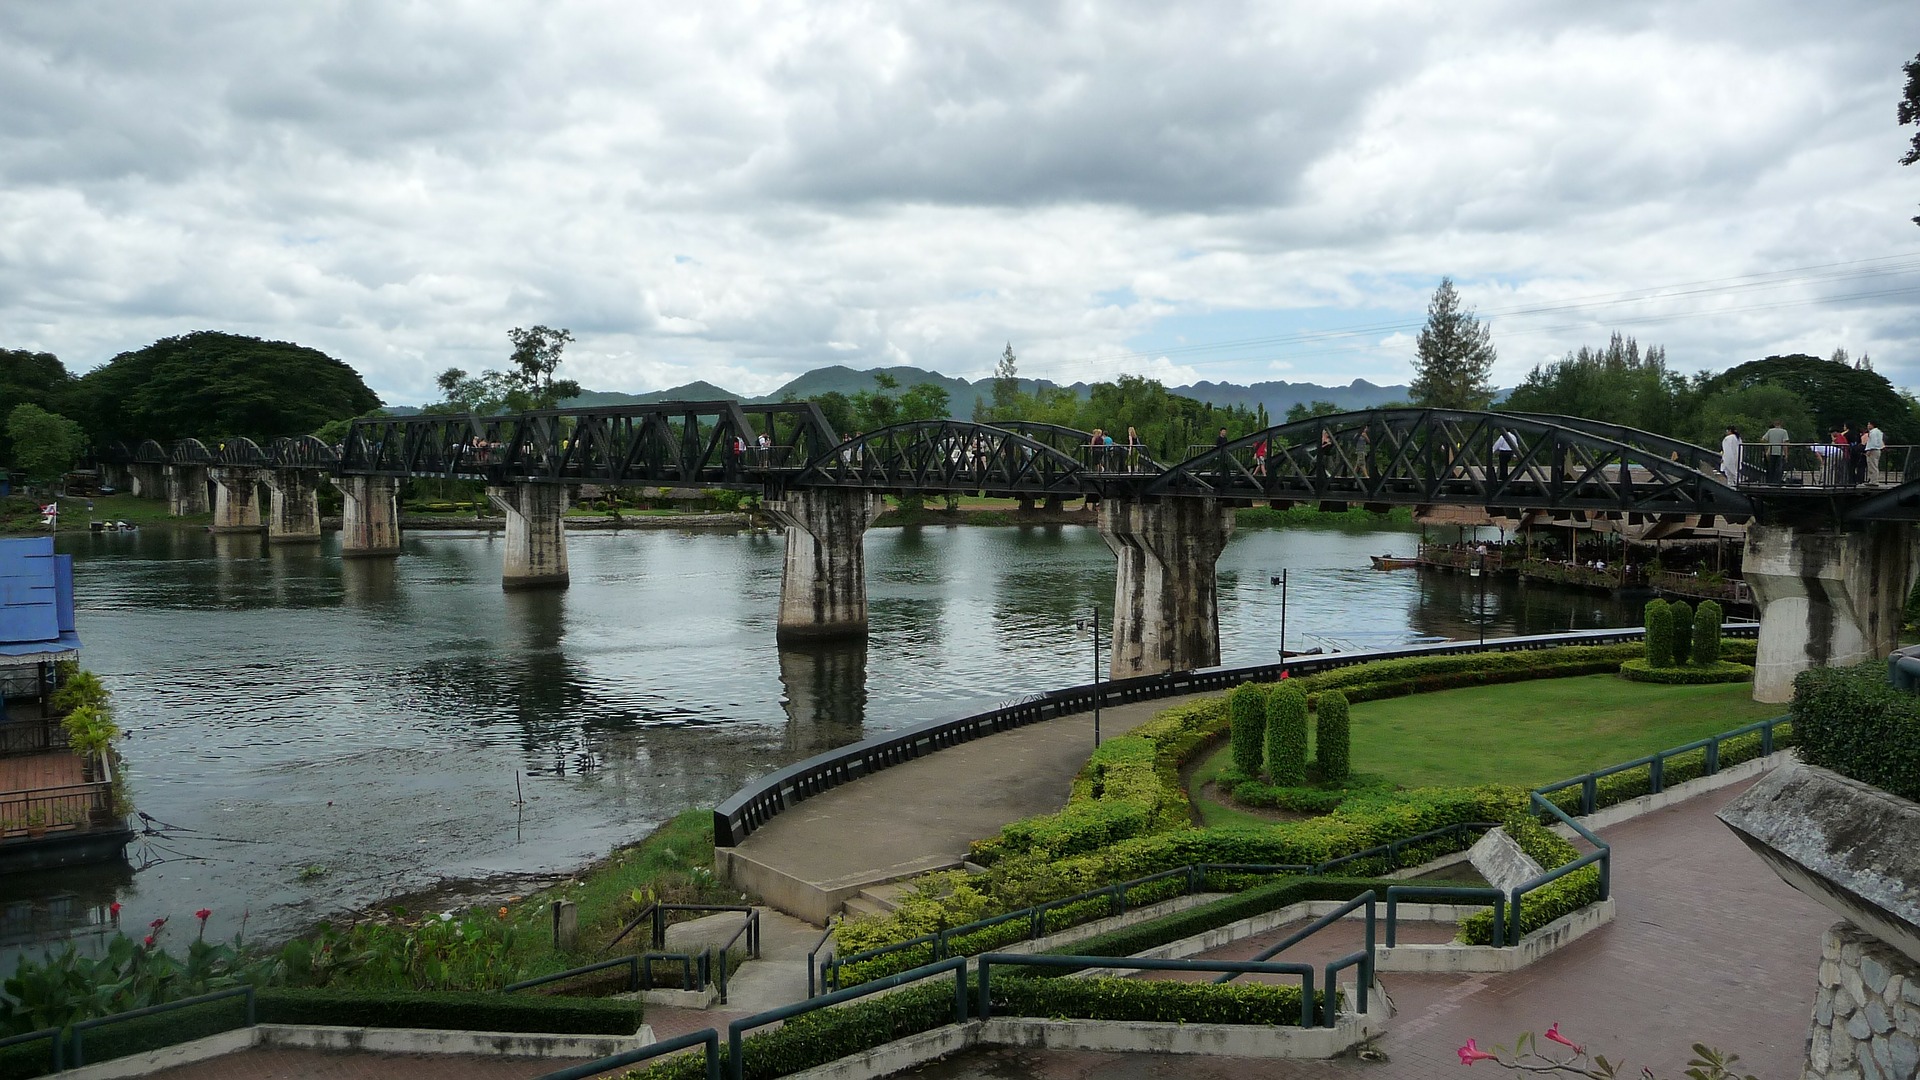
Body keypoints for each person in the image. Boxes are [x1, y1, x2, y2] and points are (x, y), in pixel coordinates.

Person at [1762, 419, 1788, 485]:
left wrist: (1767, 447)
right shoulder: (1784, 432)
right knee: (1779, 469)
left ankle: (1770, 482)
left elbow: (1763, 439)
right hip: (1780, 452)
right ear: (1781, 424)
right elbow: (1785, 443)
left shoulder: (1770, 431)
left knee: (1771, 468)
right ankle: (1777, 483)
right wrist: (1786, 454)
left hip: (1771, 451)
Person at [1863, 420, 1885, 485]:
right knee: (1874, 465)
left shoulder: (1873, 432)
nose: (1868, 426)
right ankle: (1873, 480)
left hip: (1873, 450)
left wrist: (1869, 450)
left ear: (1872, 425)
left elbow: (1873, 442)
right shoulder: (1879, 432)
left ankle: (1874, 481)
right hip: (1877, 450)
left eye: (1869, 424)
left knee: (1872, 466)